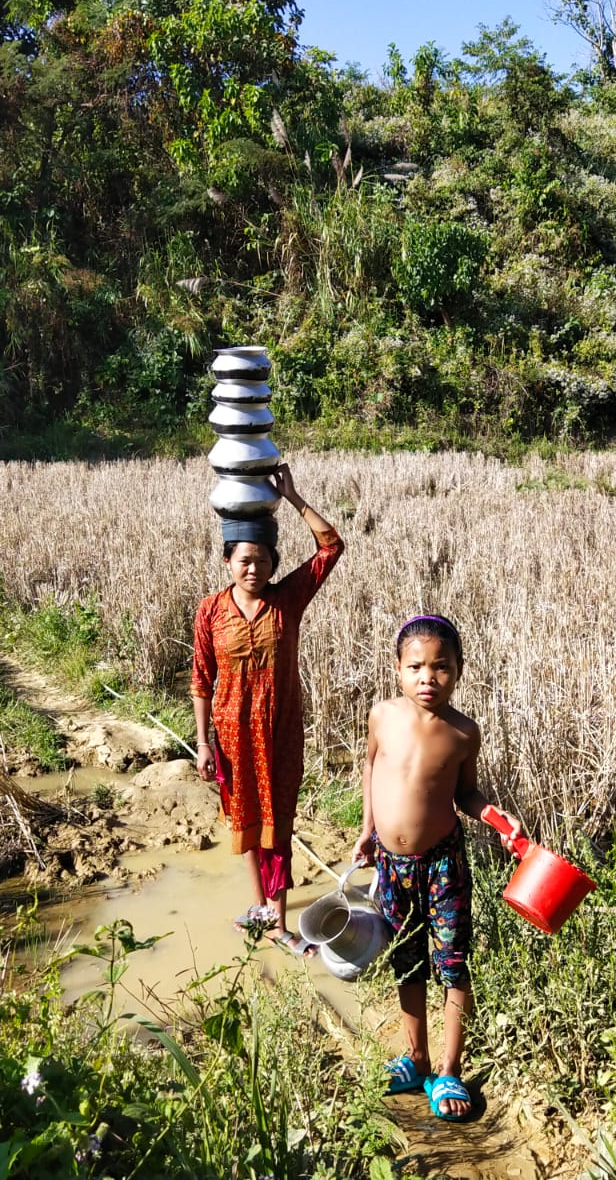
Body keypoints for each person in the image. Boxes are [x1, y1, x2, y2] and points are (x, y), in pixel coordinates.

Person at [352, 614, 525, 1122]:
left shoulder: (463, 732)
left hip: (443, 865)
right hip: (391, 865)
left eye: (441, 668)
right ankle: (417, 1057)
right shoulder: (381, 716)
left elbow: (466, 793)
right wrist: (367, 831)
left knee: (451, 962)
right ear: (398, 669)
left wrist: (496, 819)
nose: (428, 678)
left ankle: (449, 1067)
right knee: (406, 960)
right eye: (416, 667)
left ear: (459, 671)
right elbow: (371, 768)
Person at [191, 464, 343, 956]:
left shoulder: (288, 600)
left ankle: (277, 919)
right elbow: (201, 680)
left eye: (262, 560)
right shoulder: (210, 610)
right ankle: (260, 909)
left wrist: (295, 498)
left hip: (280, 734)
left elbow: (331, 547)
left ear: (274, 562)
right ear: (227, 561)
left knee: (280, 820)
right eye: (244, 560)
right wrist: (203, 744)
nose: (253, 569)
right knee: (247, 822)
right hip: (231, 736)